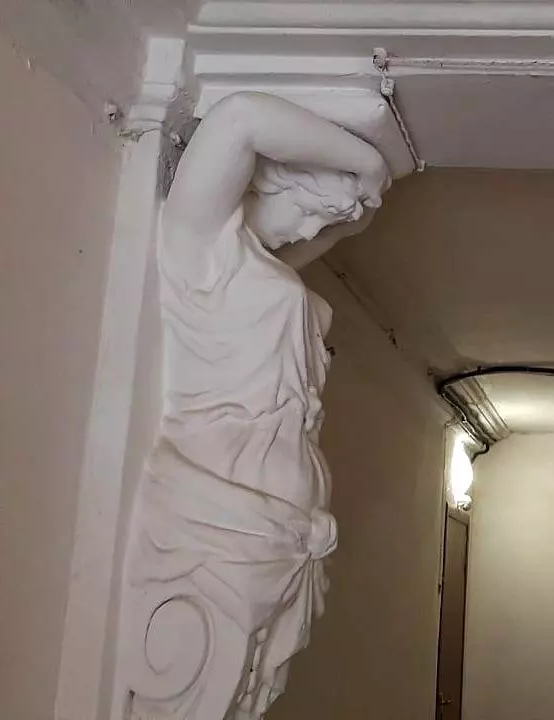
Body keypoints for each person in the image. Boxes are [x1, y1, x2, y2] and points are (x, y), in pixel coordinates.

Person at [125, 92, 390, 719]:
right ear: (260, 179)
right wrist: (368, 165)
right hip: (225, 515)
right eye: (306, 211)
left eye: (320, 224)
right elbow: (240, 117)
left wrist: (348, 215)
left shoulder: (261, 269)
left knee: (243, 692)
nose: (310, 233)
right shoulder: (197, 247)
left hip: (284, 529)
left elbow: (295, 258)